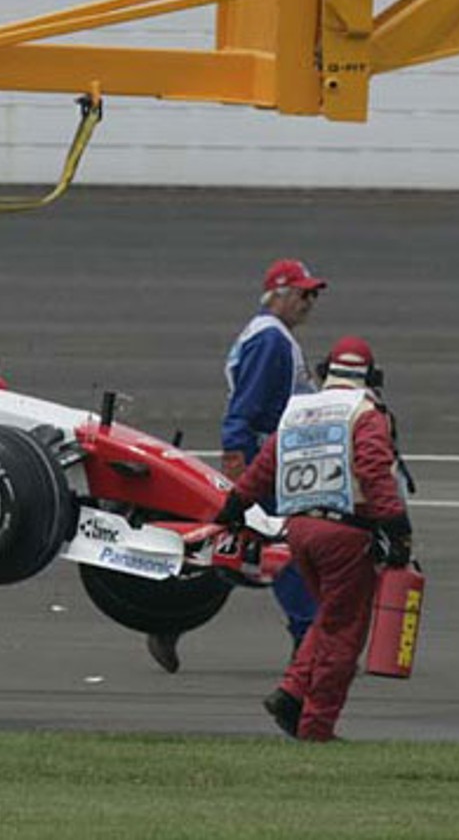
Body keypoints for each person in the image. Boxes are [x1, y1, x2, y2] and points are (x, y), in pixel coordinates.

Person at [214, 333, 412, 742]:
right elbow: (375, 471)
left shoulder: (297, 411)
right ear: (371, 376)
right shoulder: (365, 412)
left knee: (328, 618)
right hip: (345, 533)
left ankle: (291, 692)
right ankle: (316, 726)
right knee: (345, 631)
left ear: (326, 372)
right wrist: (398, 529)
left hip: (300, 532)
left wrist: (232, 507)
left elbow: (264, 466)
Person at [145, 256, 326, 675]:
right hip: (266, 467)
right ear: (277, 294)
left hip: (269, 463)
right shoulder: (271, 341)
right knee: (287, 547)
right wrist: (238, 472)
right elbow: (243, 413)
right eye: (303, 293)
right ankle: (307, 641)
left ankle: (167, 620)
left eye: (313, 294)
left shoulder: (270, 335)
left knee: (235, 550)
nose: (310, 301)